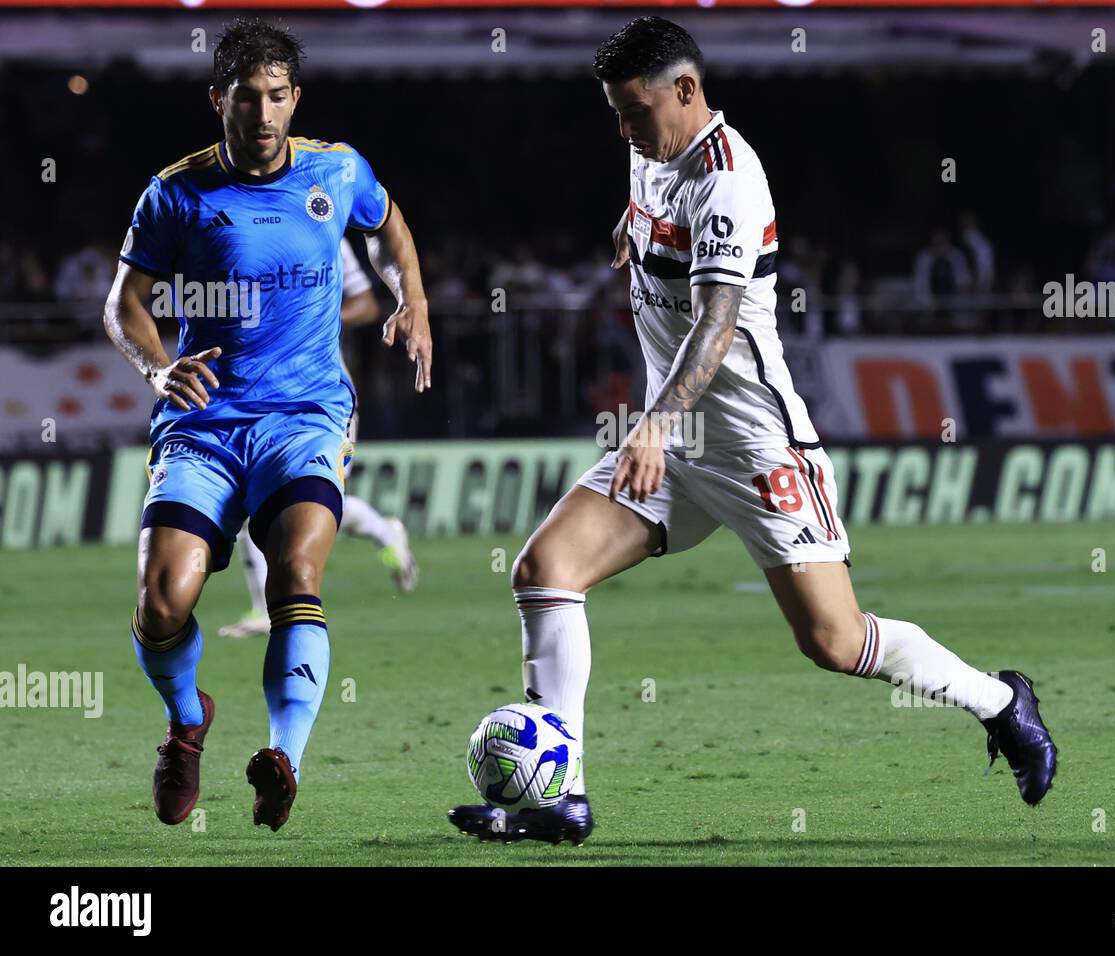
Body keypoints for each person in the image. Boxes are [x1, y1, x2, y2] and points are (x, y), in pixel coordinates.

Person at [448, 16, 1056, 845]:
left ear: (687, 93)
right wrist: (628, 235)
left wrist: (654, 425)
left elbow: (718, 323)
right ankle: (561, 798)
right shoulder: (649, 151)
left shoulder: (731, 178)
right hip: (675, 449)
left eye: (634, 112)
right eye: (616, 114)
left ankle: (1000, 701)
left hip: (752, 445)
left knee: (834, 641)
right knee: (544, 570)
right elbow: (649, 217)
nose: (623, 129)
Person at [103, 18, 430, 832]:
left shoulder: (336, 170)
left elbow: (390, 227)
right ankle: (186, 725)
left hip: (306, 415)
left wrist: (412, 299)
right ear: (219, 100)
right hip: (204, 423)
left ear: (294, 98)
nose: (263, 114)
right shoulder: (176, 191)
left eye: (277, 96)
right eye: (246, 98)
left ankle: (283, 756)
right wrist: (155, 368)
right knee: (162, 599)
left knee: (297, 577)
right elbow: (123, 303)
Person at [220, 238, 419, 640]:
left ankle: (383, 532)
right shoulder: (236, 225)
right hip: (259, 394)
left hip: (322, 396)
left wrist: (310, 321)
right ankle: (264, 610)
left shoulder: (324, 229)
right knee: (252, 504)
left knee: (308, 501)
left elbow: (366, 306)